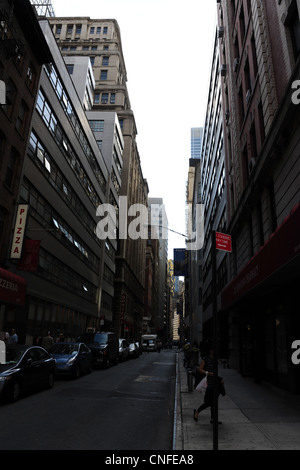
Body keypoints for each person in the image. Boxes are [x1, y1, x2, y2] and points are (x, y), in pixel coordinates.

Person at [193, 347, 225, 424]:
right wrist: (208, 373)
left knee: (214, 403)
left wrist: (220, 379)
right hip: (209, 384)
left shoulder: (215, 360)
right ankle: (197, 411)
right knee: (208, 403)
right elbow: (200, 369)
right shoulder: (206, 360)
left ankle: (213, 419)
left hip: (215, 383)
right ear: (211, 350)